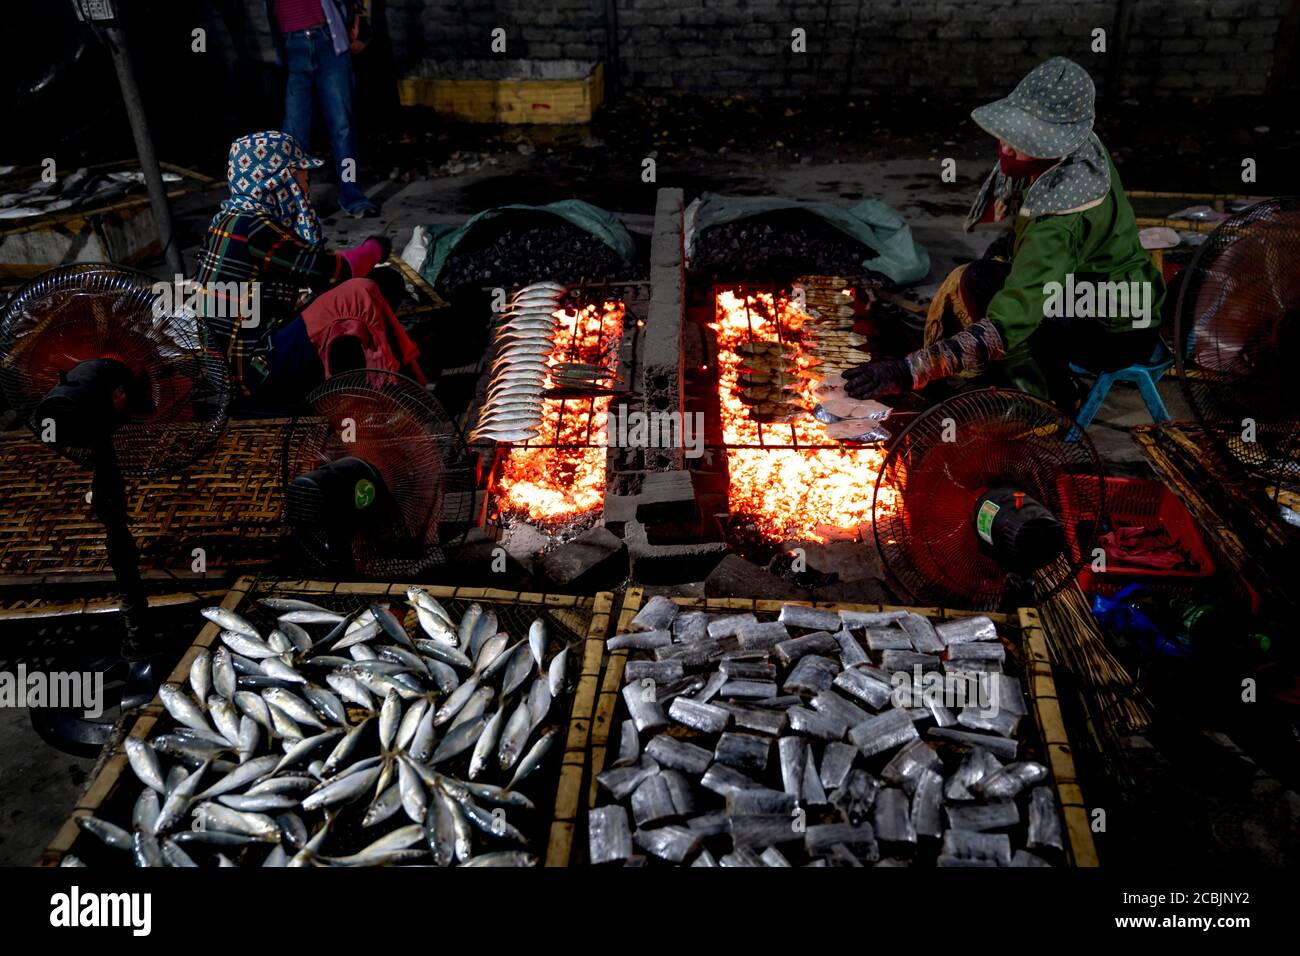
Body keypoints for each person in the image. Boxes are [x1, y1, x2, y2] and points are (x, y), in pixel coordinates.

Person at [845, 57, 1165, 411]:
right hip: (1112, 294)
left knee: (1004, 306)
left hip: (1116, 324)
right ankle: (1037, 376)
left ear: (1055, 144)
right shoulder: (1079, 149)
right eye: (1012, 133)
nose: (1007, 147)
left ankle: (1042, 401)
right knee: (979, 276)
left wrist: (908, 371)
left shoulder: (1060, 218)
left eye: (1026, 140)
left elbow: (1008, 322)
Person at [192, 131, 422, 404]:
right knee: (363, 290)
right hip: (255, 372)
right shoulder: (254, 228)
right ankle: (391, 388)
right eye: (302, 174)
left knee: (378, 283)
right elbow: (337, 273)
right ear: (280, 178)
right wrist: (376, 247)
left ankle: (353, 373)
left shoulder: (228, 219)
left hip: (237, 363)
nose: (306, 183)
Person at [266, 0, 377, 217]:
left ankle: (352, 195)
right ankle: (294, 203)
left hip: (328, 41)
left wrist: (359, 20)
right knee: (294, 136)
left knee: (343, 128)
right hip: (293, 45)